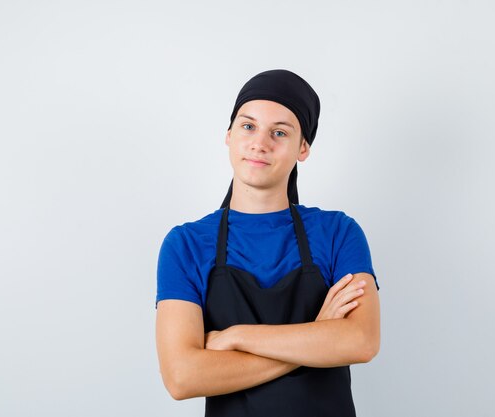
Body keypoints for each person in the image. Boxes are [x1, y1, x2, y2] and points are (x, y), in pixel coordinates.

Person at [155, 69, 381, 417]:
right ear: (228, 135)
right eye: (248, 126)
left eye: (279, 132)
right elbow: (182, 377)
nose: (260, 143)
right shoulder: (185, 245)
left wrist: (237, 336)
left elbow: (361, 341)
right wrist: (318, 335)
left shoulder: (338, 232)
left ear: (303, 147)